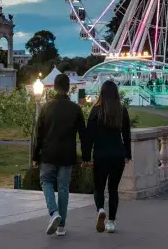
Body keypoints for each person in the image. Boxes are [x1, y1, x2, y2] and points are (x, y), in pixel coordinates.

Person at [32, 73, 85, 237]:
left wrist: (35, 155)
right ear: (69, 88)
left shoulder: (46, 107)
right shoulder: (76, 109)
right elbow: (84, 134)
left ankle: (53, 212)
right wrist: (86, 156)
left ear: (54, 87)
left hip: (48, 153)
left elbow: (38, 134)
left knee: (46, 181)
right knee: (63, 188)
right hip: (67, 154)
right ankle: (61, 226)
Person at [81, 80, 132, 234]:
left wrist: (86, 157)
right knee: (113, 189)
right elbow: (126, 135)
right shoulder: (122, 111)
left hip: (101, 154)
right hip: (118, 154)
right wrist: (128, 153)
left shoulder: (96, 111)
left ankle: (100, 209)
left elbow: (88, 136)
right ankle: (111, 222)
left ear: (101, 93)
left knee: (99, 187)